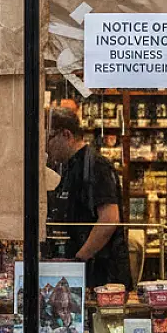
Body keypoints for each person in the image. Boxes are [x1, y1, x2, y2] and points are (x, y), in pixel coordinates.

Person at [44, 107, 131, 290]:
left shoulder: (95, 165)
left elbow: (109, 218)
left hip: (100, 273)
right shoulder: (68, 166)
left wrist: (79, 259)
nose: (45, 146)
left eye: (49, 139)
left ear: (66, 135)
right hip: (82, 268)